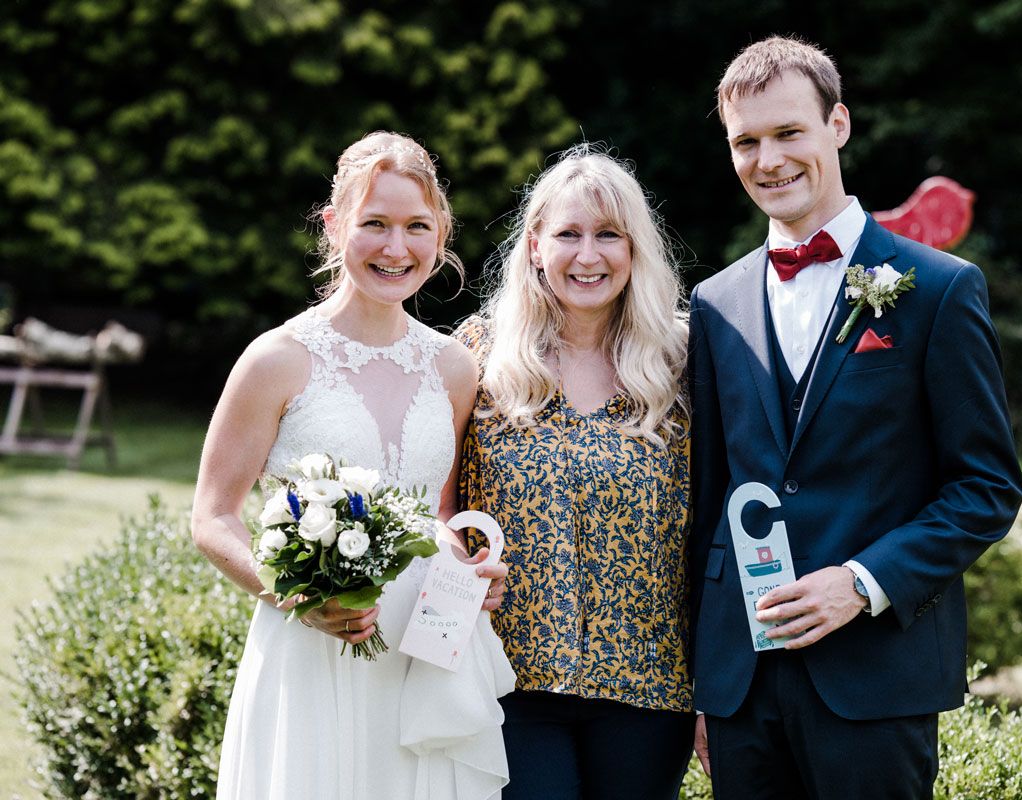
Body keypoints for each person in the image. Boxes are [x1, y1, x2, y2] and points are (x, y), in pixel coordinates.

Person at [688, 37, 1022, 799]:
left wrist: (863, 582)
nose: (767, 160)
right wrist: (704, 682)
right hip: (742, 686)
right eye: (746, 142)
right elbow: (708, 500)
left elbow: (986, 488)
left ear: (837, 124)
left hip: (876, 678)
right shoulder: (715, 303)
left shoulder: (938, 289)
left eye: (788, 133)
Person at [191, 130, 515, 800]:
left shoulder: (454, 369)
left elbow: (440, 511)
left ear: (440, 234)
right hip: (315, 649)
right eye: (375, 224)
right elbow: (213, 516)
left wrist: (471, 568)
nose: (396, 249)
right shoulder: (277, 359)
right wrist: (297, 598)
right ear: (336, 226)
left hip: (426, 653)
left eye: (416, 227)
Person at [454, 145, 694, 800]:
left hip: (651, 688)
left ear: (635, 248)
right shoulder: (474, 355)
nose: (588, 256)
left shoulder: (686, 364)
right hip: (508, 682)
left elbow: (716, 528)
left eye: (608, 235)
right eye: (568, 235)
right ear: (535, 246)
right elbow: (437, 506)